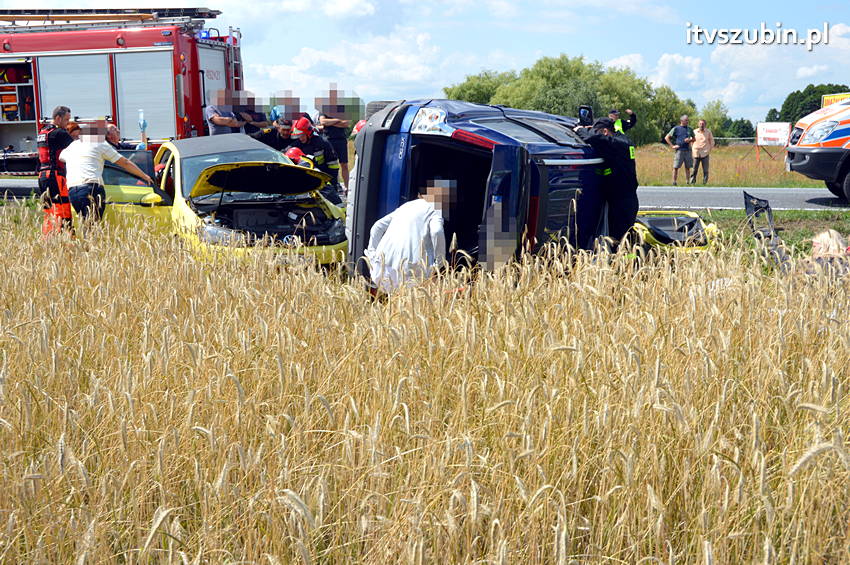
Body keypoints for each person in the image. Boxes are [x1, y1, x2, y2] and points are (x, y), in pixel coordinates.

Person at [365, 179, 453, 294]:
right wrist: (439, 264)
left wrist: (372, 253)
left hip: (381, 268)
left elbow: (377, 226)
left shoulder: (406, 206)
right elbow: (437, 231)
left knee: (390, 301)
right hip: (410, 272)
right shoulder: (435, 209)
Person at [61, 122, 153, 222]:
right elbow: (125, 163)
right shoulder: (100, 144)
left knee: (86, 222)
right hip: (91, 188)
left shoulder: (73, 145)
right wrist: (144, 176)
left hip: (73, 191)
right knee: (93, 224)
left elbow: (61, 157)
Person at [573, 117, 639, 247]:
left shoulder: (619, 143)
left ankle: (625, 259)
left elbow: (594, 138)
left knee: (621, 237)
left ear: (605, 131)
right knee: (618, 235)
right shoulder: (619, 141)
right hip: (620, 196)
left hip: (623, 200)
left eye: (596, 131)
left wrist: (580, 130)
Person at [38, 105, 75, 235]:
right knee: (62, 209)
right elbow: (78, 147)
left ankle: (48, 238)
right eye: (66, 120)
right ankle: (64, 239)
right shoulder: (60, 133)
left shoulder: (43, 132)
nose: (68, 123)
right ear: (58, 118)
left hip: (43, 175)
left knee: (48, 211)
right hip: (56, 175)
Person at [289, 116, 341, 194]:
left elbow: (333, 165)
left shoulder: (322, 143)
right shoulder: (296, 144)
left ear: (308, 132)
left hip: (322, 178)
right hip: (305, 179)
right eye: (298, 136)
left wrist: (332, 183)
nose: (300, 138)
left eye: (302, 135)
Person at [318, 110, 351, 189]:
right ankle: (332, 186)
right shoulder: (324, 110)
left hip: (341, 140)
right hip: (328, 140)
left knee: (344, 165)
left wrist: (330, 123)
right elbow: (323, 122)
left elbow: (346, 123)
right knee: (330, 165)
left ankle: (347, 188)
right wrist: (338, 120)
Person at [664, 115, 695, 186]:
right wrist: (672, 146)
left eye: (687, 120)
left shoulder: (689, 129)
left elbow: (694, 139)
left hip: (688, 150)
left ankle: (688, 182)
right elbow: (666, 137)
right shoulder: (676, 128)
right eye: (686, 120)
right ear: (681, 121)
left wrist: (689, 140)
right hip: (679, 150)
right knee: (676, 167)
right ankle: (674, 182)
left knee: (688, 167)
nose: (687, 121)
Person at [690, 119, 714, 185]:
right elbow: (691, 141)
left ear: (705, 125)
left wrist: (709, 150)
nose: (701, 125)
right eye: (700, 124)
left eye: (703, 124)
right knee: (694, 169)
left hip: (705, 153)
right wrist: (692, 149)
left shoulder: (708, 132)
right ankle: (692, 182)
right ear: (698, 124)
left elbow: (712, 142)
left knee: (705, 170)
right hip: (696, 153)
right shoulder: (694, 132)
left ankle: (704, 183)